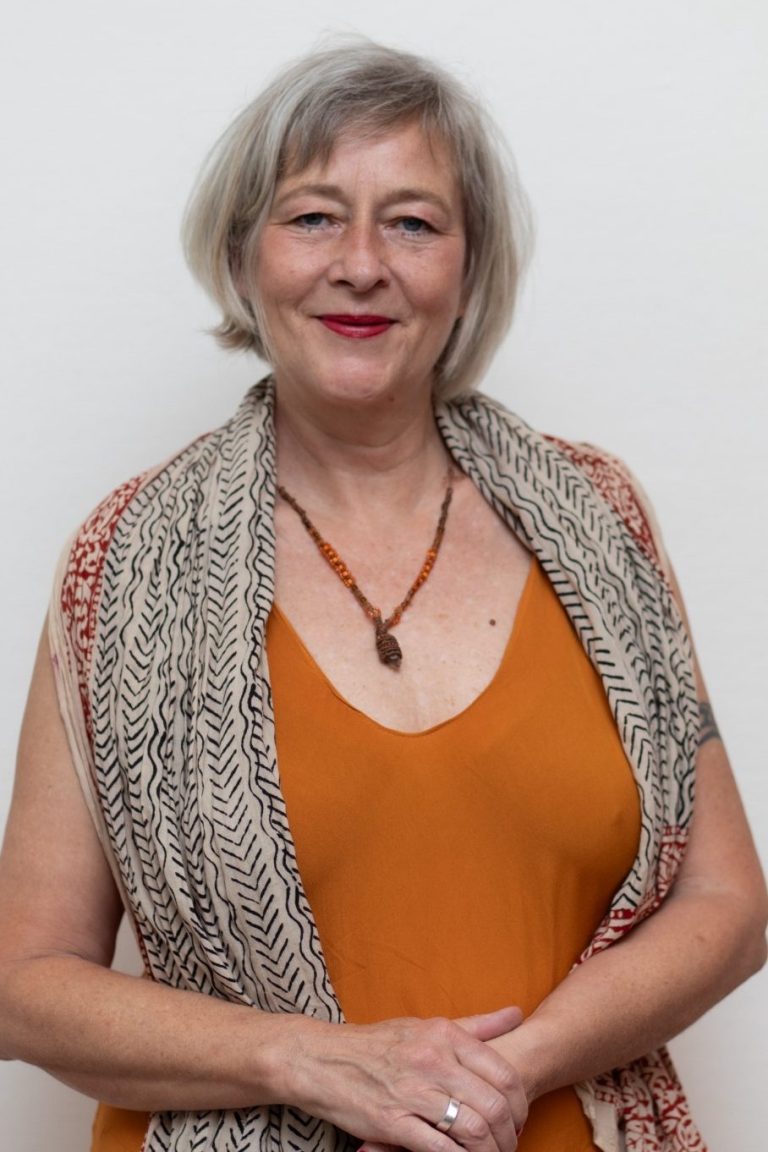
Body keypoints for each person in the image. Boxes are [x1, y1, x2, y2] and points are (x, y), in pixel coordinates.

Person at [0, 39, 765, 1152]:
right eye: (313, 217)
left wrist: (485, 1084)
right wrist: (313, 1062)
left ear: (469, 266)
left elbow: (729, 906)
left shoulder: (602, 521)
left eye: (412, 223)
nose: (361, 264)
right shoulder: (120, 566)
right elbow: (24, 983)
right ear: (243, 253)